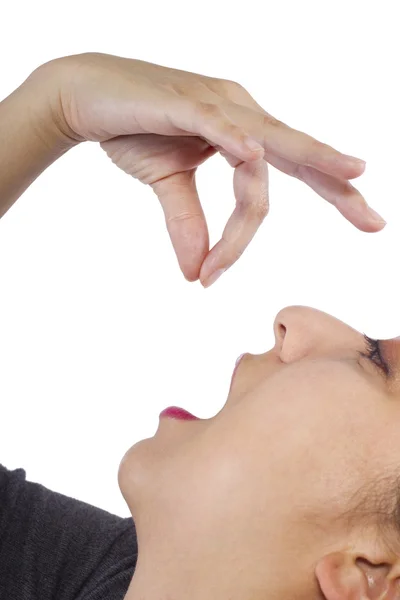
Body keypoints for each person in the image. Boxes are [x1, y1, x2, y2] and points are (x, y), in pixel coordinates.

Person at [0, 52, 395, 600]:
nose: (293, 320)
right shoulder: (91, 576)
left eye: (378, 361)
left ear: (373, 575)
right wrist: (54, 106)